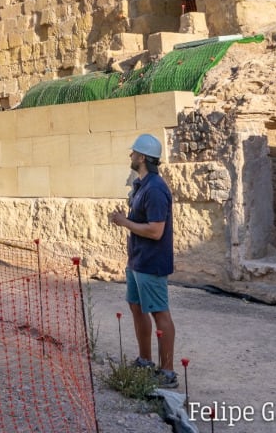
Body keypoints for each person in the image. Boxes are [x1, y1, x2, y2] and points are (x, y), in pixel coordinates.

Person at [108, 133, 178, 388]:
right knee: (137, 308)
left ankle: (168, 371)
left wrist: (124, 222)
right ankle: (145, 360)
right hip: (137, 260)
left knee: (160, 313)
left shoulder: (156, 189)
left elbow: (156, 230)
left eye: (134, 152)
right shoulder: (141, 185)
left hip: (152, 262)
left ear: (144, 157)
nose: (131, 155)